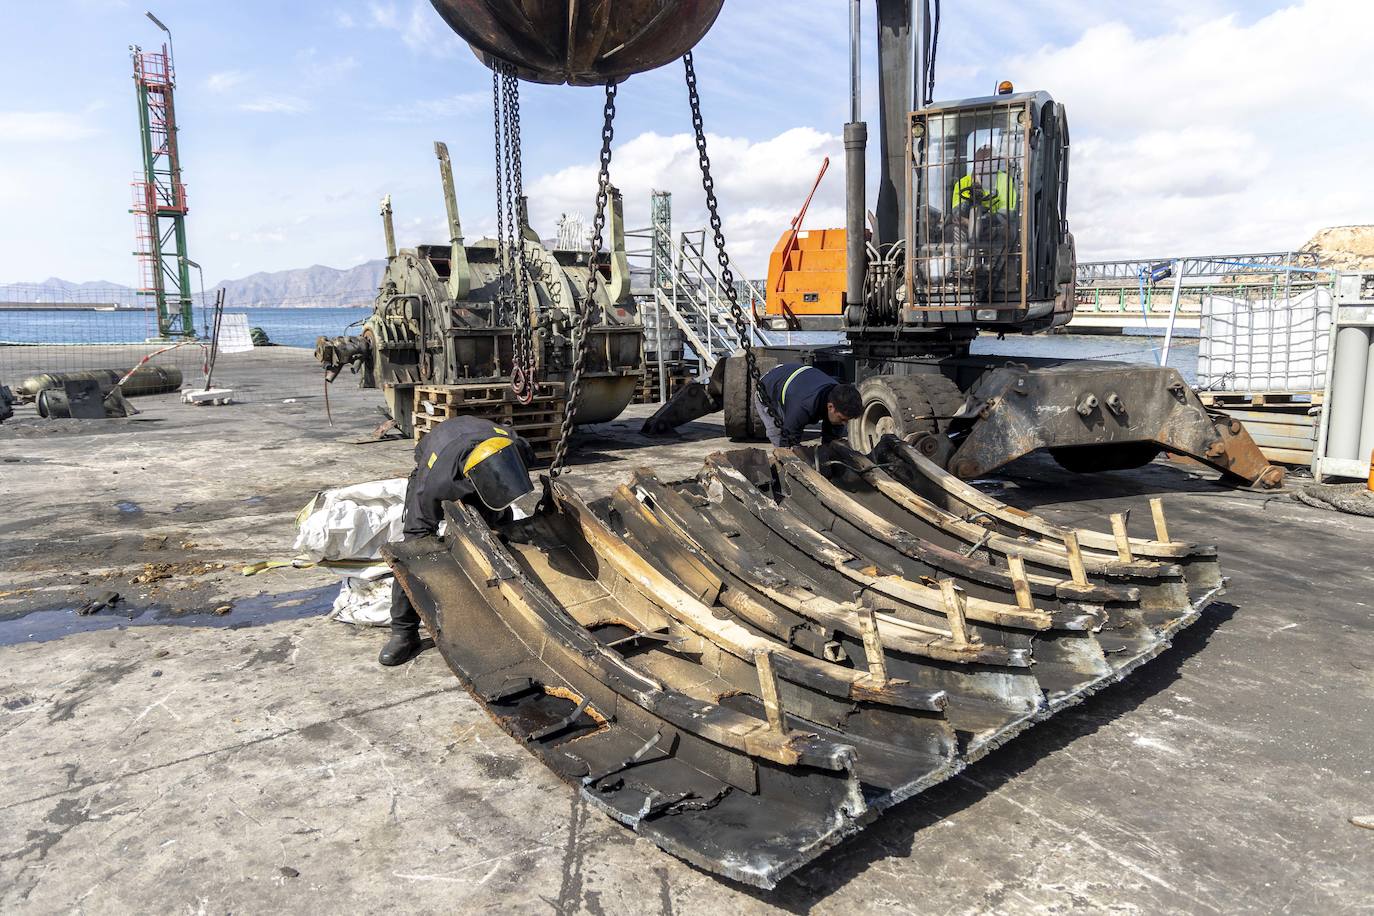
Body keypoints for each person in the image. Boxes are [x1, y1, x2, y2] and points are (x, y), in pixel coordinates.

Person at [379, 414, 537, 666]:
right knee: (414, 547)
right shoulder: (435, 483)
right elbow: (419, 533)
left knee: (499, 528)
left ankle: (508, 604)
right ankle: (404, 633)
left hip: (478, 445)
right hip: (439, 455)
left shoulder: (516, 447)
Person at [753, 362, 863, 448]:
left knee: (832, 437)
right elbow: (787, 443)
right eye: (842, 419)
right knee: (779, 435)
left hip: (799, 378)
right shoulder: (802, 406)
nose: (845, 424)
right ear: (830, 407)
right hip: (769, 388)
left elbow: (831, 438)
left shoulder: (838, 395)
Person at [951, 146, 1018, 216]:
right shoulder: (962, 183)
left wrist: (985, 219)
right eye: (978, 161)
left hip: (994, 224)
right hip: (966, 225)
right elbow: (957, 213)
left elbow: (1007, 212)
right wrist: (970, 202)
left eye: (986, 160)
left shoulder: (1005, 180)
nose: (981, 164)